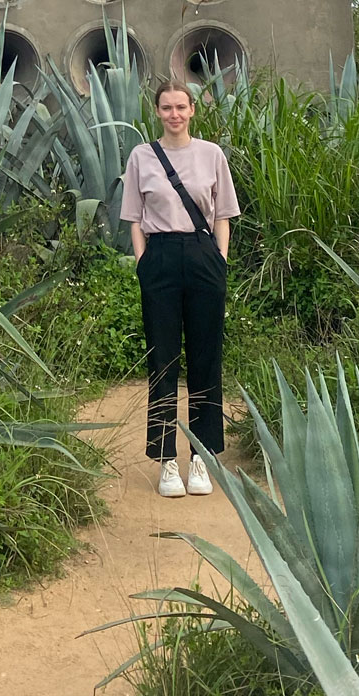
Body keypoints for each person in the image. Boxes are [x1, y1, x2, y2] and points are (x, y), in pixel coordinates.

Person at [120, 80, 240, 497]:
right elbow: (134, 217)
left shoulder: (212, 155)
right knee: (163, 359)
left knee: (207, 358)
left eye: (181, 107)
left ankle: (201, 459)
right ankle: (168, 460)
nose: (174, 114)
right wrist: (143, 262)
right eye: (167, 108)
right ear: (157, 112)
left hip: (204, 255)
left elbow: (223, 212)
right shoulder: (141, 156)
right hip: (161, 258)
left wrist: (220, 259)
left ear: (193, 111)